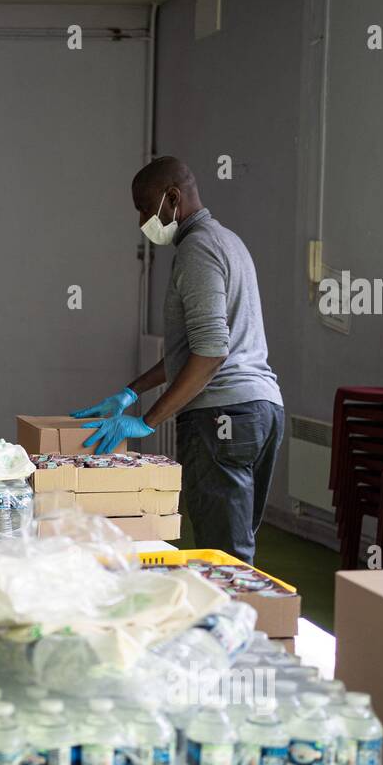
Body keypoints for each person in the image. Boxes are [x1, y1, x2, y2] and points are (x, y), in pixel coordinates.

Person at [72, 157, 284, 563]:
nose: (141, 221)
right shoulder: (228, 242)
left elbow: (211, 354)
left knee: (221, 557)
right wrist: (131, 392)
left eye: (144, 207)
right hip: (261, 410)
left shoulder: (198, 250)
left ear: (173, 197)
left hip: (222, 417)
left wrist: (148, 421)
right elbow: (191, 352)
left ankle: (238, 624)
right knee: (235, 548)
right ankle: (243, 619)